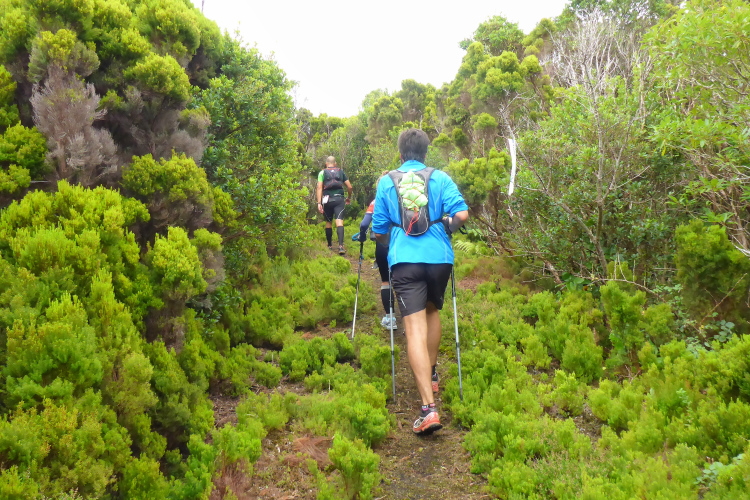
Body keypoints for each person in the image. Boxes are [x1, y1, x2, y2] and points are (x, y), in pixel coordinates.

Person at [372, 128, 469, 436]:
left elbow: (379, 230)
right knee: (432, 311)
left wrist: (391, 240)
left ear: (400, 154)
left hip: (406, 260)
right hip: (439, 259)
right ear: (426, 153)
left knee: (414, 327)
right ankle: (433, 372)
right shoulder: (440, 178)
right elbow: (462, 214)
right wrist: (447, 226)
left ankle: (428, 409)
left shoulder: (387, 182)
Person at [357, 198, 397, 330]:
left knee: (386, 280)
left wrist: (362, 236)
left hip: (382, 244)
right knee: (405, 282)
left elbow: (364, 225)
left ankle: (390, 319)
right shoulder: (405, 197)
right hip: (403, 244)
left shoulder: (376, 202)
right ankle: (410, 322)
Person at [317, 156, 353, 254]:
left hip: (327, 200)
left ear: (326, 164)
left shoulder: (322, 173)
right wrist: (349, 197)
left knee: (328, 222)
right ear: (335, 164)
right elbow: (350, 187)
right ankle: (341, 247)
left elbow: (319, 187)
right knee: (339, 221)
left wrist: (319, 203)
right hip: (339, 200)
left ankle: (329, 246)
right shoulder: (341, 172)